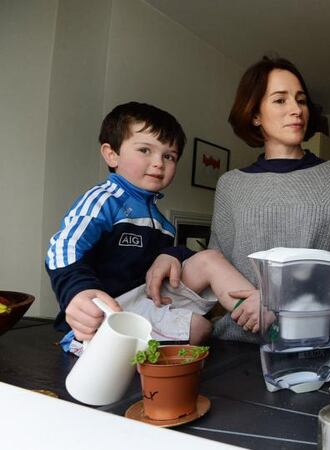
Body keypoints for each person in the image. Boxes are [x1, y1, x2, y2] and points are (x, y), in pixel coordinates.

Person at [145, 56, 330, 343]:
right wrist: (174, 254)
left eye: (301, 100)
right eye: (280, 100)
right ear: (255, 115)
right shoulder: (231, 184)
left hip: (310, 343)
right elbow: (215, 265)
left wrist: (276, 303)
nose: (296, 110)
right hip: (235, 341)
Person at [45, 102, 257, 347]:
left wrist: (172, 254)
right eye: (145, 150)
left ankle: (261, 314)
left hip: (146, 300)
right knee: (199, 328)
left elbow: (171, 265)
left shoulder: (162, 223)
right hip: (108, 313)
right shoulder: (104, 200)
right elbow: (62, 247)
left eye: (169, 156)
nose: (159, 162)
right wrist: (78, 291)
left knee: (210, 260)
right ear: (111, 154)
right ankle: (109, 352)